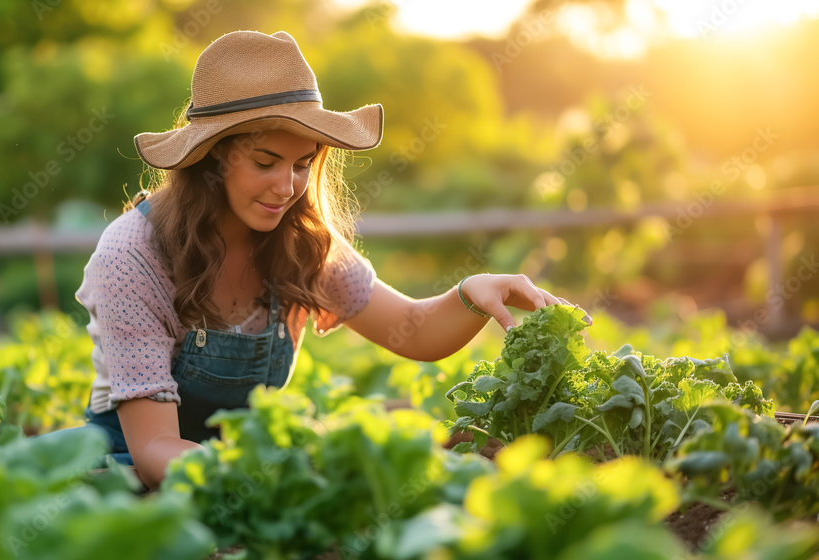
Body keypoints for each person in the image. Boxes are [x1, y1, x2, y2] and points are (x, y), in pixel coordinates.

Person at [69, 30, 589, 489]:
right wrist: (274, 477)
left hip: (249, 469)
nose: (287, 187)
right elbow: (156, 450)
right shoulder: (132, 256)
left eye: (302, 164)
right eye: (265, 162)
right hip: (138, 472)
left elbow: (414, 329)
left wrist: (471, 292)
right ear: (212, 156)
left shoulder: (299, 242)